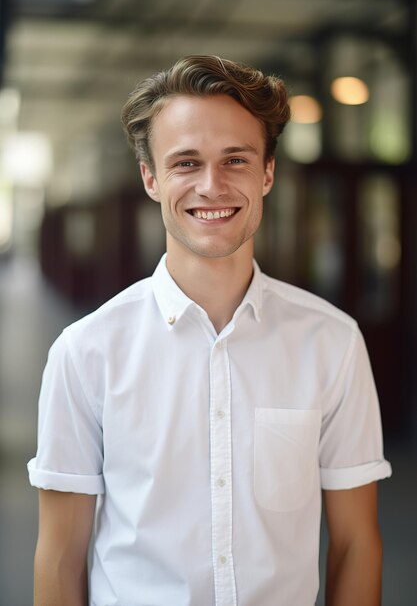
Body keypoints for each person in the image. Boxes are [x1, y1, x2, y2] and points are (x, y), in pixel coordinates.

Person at [28, 55, 391, 606]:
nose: (212, 186)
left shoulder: (332, 343)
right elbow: (59, 557)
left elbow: (356, 545)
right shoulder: (86, 352)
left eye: (236, 160)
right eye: (186, 163)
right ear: (151, 178)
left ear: (268, 173)